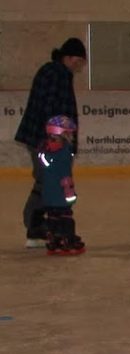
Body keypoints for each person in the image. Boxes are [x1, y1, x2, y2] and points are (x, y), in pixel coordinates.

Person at [14, 37, 87, 249]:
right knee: (48, 181)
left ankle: (39, 227)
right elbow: (48, 107)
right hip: (45, 139)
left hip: (44, 137)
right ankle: (36, 226)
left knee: (46, 181)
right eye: (78, 61)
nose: (78, 66)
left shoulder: (56, 72)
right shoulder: (56, 74)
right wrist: (55, 139)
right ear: (68, 57)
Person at [37, 115, 84, 255]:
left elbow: (45, 166)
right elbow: (65, 176)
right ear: (63, 134)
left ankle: (54, 240)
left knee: (52, 216)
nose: (72, 136)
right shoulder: (64, 152)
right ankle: (67, 239)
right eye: (69, 133)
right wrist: (70, 195)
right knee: (65, 216)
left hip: (48, 194)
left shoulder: (45, 152)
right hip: (61, 193)